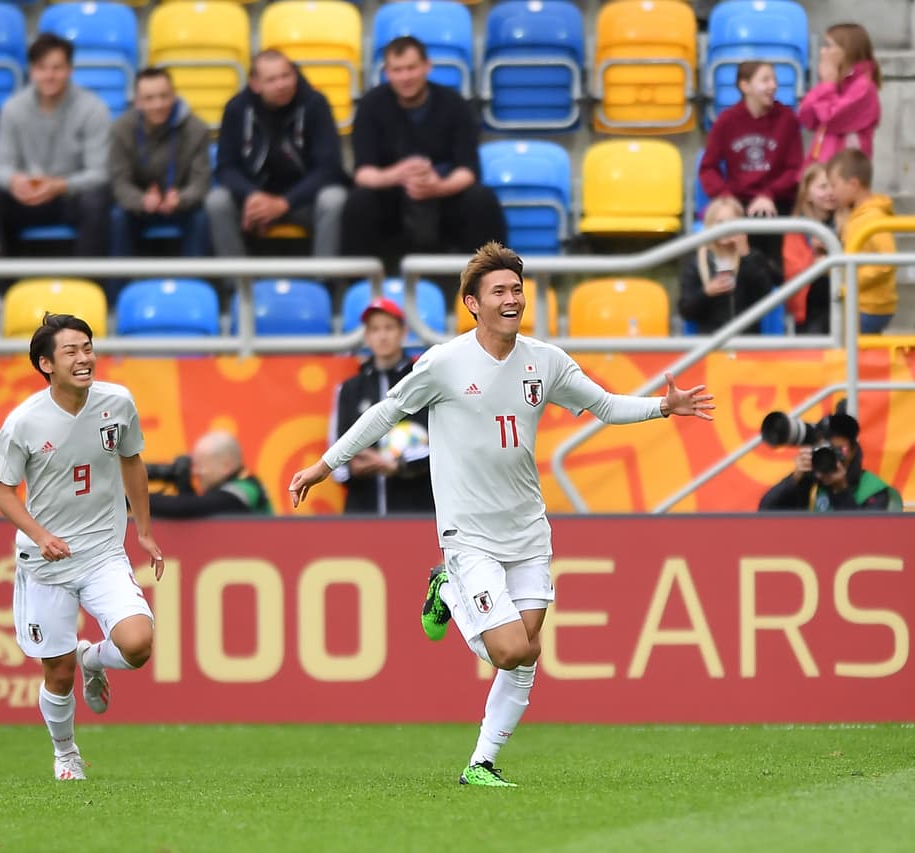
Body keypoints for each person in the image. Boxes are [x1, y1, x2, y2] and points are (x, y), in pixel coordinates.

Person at [288, 241, 714, 787]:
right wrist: (326, 464)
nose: (512, 299)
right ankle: (447, 591)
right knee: (508, 647)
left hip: (529, 529)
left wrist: (662, 406)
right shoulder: (444, 363)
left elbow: (604, 405)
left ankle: (481, 763)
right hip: (470, 534)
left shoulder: (545, 360)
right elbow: (385, 412)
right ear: (472, 303)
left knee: (526, 653)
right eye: (499, 291)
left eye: (517, 289)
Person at [0, 312, 164, 781]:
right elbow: (3, 491)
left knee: (138, 644)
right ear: (47, 364)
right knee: (57, 674)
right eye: (71, 351)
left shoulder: (118, 403)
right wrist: (41, 535)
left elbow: (132, 461)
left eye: (87, 348)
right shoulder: (23, 422)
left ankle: (93, 658)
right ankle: (65, 754)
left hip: (103, 551)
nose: (84, 358)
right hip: (46, 562)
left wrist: (143, 529)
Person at [341, 36, 506, 272]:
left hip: (444, 198)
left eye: (411, 68)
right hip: (392, 200)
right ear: (387, 72)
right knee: (359, 202)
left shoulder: (454, 104)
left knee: (481, 199)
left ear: (427, 66)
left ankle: (489, 282)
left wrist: (438, 186)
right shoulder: (371, 105)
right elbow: (363, 173)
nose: (405, 77)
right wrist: (397, 174)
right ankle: (356, 290)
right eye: (397, 70)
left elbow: (469, 170)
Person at [0, 34, 112, 259]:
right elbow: (0, 170)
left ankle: (87, 287)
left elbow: (100, 173)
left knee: (96, 201)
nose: (49, 75)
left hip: (69, 197)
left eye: (57, 68)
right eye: (42, 68)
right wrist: (15, 181)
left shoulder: (94, 108)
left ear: (70, 69)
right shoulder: (12, 108)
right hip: (27, 197)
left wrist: (59, 185)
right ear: (32, 70)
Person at [207, 50, 349, 259]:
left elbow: (328, 168)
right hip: (254, 203)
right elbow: (226, 167)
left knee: (334, 199)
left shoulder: (315, 104)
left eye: (286, 76)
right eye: (272, 80)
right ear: (255, 84)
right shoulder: (237, 108)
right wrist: (252, 195)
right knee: (217, 201)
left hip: (303, 201)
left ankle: (326, 284)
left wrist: (284, 203)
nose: (282, 84)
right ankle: (236, 286)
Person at [328, 297, 434, 515]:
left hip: (417, 514)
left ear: (402, 332)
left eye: (389, 328)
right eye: (375, 329)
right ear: (367, 336)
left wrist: (396, 465)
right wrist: (352, 467)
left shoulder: (422, 381)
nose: (383, 336)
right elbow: (335, 455)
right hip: (362, 516)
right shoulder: (348, 389)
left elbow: (441, 447)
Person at [108, 67, 211, 259]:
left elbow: (201, 182)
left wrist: (181, 198)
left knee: (201, 217)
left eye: (164, 96)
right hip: (139, 206)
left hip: (182, 205)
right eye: (149, 98)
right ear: (137, 102)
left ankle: (196, 285)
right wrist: (141, 200)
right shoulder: (121, 129)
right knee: (117, 217)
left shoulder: (197, 129)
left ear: (174, 96)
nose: (158, 104)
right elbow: (119, 182)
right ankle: (115, 288)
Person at [699, 61, 804, 220]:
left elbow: (795, 169)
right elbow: (708, 168)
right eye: (765, 80)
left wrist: (769, 194)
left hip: (777, 200)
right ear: (745, 86)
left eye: (774, 80)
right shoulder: (727, 120)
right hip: (736, 201)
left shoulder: (787, 119)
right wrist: (726, 197)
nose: (773, 85)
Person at [677, 195, 781, 335]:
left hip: (748, 343)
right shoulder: (696, 261)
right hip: (709, 344)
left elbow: (765, 299)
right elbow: (685, 311)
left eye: (731, 222)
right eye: (720, 223)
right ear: (709, 225)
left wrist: (746, 257)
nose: (725, 229)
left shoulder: (753, 257)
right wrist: (706, 293)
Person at [758, 410, 900, 510]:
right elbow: (766, 511)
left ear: (853, 450)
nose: (830, 454)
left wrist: (841, 490)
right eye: (824, 448)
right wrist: (794, 479)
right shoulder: (808, 485)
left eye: (838, 449)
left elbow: (866, 537)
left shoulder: (873, 490)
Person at [828, 148, 896, 334]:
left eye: (834, 185)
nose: (832, 192)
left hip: (869, 305)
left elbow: (886, 261)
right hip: (862, 302)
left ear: (853, 184)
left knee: (855, 358)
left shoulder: (873, 217)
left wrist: (850, 281)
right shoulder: (856, 216)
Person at [798, 23, 882, 166]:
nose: (822, 51)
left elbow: (831, 118)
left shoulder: (864, 87)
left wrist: (827, 84)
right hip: (823, 165)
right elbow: (807, 117)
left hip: (846, 170)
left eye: (828, 46)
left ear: (847, 50)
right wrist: (826, 84)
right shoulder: (836, 81)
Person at [147, 431, 272, 519]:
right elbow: (195, 515)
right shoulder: (236, 488)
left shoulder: (245, 490)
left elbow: (186, 508)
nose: (195, 472)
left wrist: (136, 500)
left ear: (226, 466)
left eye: (200, 466)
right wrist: (184, 486)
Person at [783, 164, 840, 335]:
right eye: (823, 187)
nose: (830, 192)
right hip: (810, 310)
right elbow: (791, 270)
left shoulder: (846, 224)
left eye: (833, 186)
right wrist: (814, 261)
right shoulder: (796, 228)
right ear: (807, 194)